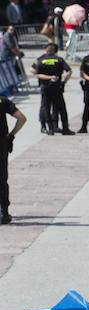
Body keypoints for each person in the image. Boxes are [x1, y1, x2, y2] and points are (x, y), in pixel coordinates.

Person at [32, 42, 75, 135]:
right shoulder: (59, 59)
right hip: (57, 87)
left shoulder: (40, 59)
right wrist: (64, 82)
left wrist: (47, 77)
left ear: (47, 49)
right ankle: (65, 128)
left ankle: (49, 128)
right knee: (61, 108)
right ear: (55, 51)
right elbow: (69, 71)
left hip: (45, 87)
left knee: (45, 107)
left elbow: (33, 72)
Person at [0, 94, 25, 225]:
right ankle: (3, 212)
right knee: (2, 179)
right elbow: (22, 118)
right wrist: (10, 135)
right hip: (1, 145)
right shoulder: (3, 101)